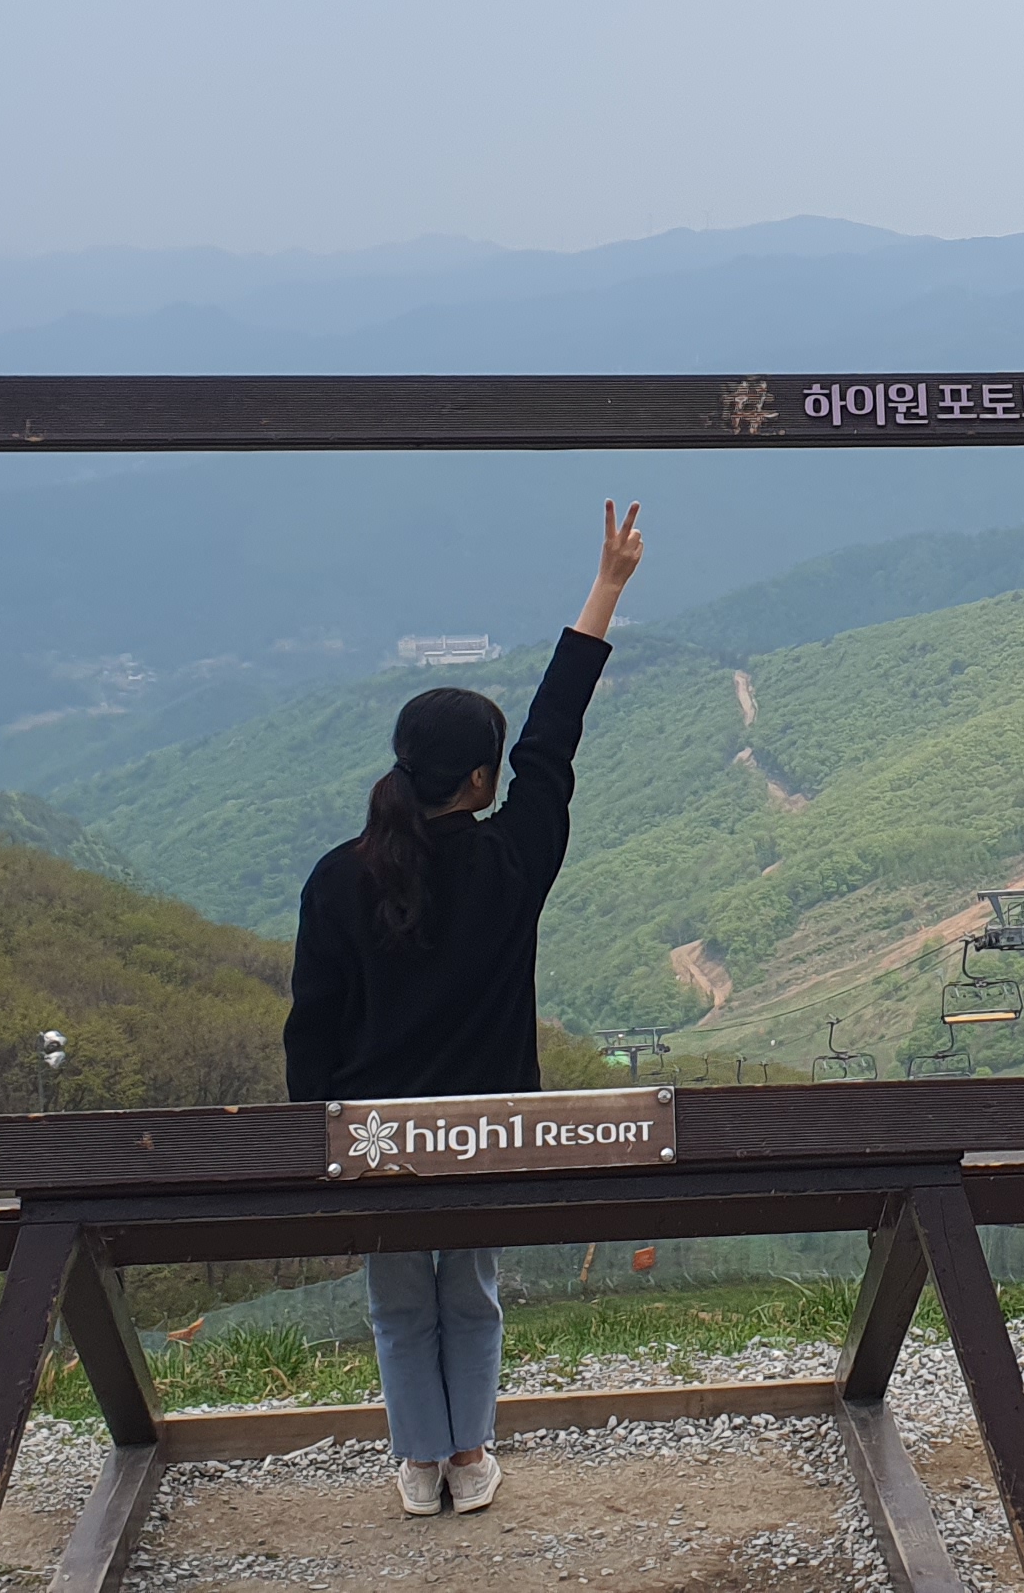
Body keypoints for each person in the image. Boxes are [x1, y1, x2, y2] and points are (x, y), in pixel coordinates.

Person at [284, 499, 647, 1518]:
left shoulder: (334, 878)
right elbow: (554, 740)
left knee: (400, 1298)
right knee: (471, 1291)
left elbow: (311, 1024)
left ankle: (419, 1462)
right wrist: (608, 587)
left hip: (372, 1137)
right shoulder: (513, 860)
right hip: (491, 1129)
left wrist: (313, 1137)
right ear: (481, 781)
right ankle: (471, 1450)